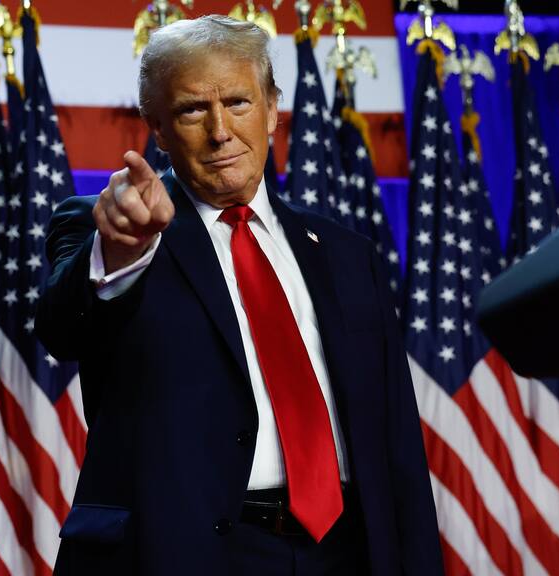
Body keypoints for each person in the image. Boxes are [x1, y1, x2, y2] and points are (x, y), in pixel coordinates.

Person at [36, 15, 443, 576]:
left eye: (238, 102)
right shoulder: (108, 230)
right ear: (157, 128)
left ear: (273, 109)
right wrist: (123, 251)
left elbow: (397, 444)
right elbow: (63, 328)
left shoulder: (349, 257)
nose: (220, 129)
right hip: (181, 557)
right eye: (192, 110)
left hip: (345, 554)